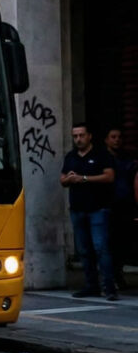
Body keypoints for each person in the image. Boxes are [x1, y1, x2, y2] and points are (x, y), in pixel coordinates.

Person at [62, 123, 118, 300]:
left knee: (100, 248)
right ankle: (91, 285)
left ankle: (109, 287)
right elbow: (62, 180)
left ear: (89, 136)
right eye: (75, 136)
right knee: (84, 250)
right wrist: (69, 178)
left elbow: (109, 176)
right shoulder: (71, 157)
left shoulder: (101, 155)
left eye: (81, 135)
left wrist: (84, 178)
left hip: (98, 209)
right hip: (77, 209)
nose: (78, 139)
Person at [108, 128, 135, 289]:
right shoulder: (103, 158)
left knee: (123, 243)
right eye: (113, 137)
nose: (116, 140)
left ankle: (118, 273)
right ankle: (112, 276)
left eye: (119, 137)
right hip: (108, 206)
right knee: (109, 244)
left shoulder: (127, 159)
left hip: (124, 205)